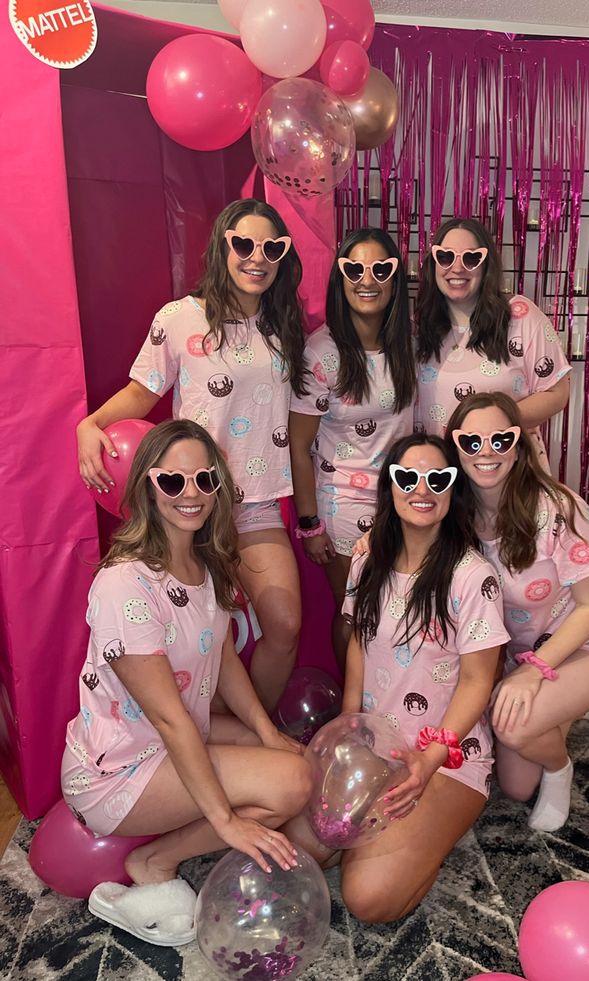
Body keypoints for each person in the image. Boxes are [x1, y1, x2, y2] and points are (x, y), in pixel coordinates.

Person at [61, 420, 312, 946]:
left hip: (177, 741)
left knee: (293, 759)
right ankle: (154, 861)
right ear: (148, 487)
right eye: (173, 481)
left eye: (204, 479)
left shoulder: (205, 562)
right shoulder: (124, 583)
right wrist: (225, 822)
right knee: (292, 785)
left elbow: (222, 658)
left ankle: (201, 821)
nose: (191, 494)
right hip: (120, 771)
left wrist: (266, 732)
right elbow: (168, 718)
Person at [77, 199, 307, 712]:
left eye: (272, 247)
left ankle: (248, 735)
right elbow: (141, 393)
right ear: (223, 246)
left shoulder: (285, 327)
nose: (257, 257)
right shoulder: (181, 318)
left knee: (285, 625)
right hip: (190, 504)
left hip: (257, 504)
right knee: (198, 642)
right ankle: (202, 744)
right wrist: (90, 424)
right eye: (243, 244)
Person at [445, 392, 589, 832]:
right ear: (455, 447)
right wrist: (373, 542)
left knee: (515, 730)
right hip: (534, 653)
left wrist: (534, 671)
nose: (486, 452)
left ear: (517, 447)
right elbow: (409, 536)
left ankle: (561, 770)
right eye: (471, 441)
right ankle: (576, 703)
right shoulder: (455, 516)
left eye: (500, 439)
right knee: (516, 787)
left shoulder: (557, 507)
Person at [336, 433, 508, 923]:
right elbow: (357, 641)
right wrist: (349, 727)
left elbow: (478, 681)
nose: (423, 488)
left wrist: (427, 764)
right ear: (390, 485)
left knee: (368, 899)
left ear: (453, 488)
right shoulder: (368, 555)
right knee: (309, 840)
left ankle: (429, 842)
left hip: (447, 758)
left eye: (438, 478)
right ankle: (397, 842)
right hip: (376, 745)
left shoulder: (472, 576)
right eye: (408, 477)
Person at [289, 228, 415, 671]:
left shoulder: (409, 346)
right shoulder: (322, 351)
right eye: (355, 268)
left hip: (405, 502)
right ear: (340, 277)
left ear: (395, 278)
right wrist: (310, 525)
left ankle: (388, 707)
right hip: (343, 508)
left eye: (381, 269)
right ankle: (354, 714)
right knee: (357, 615)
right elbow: (298, 444)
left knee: (395, 613)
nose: (368, 279)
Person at [414, 217, 570, 471]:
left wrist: (491, 426)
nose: (457, 268)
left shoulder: (520, 316)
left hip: (509, 473)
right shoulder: (418, 330)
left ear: (486, 266)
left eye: (471, 258)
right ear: (433, 264)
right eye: (445, 257)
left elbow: (557, 393)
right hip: (443, 477)